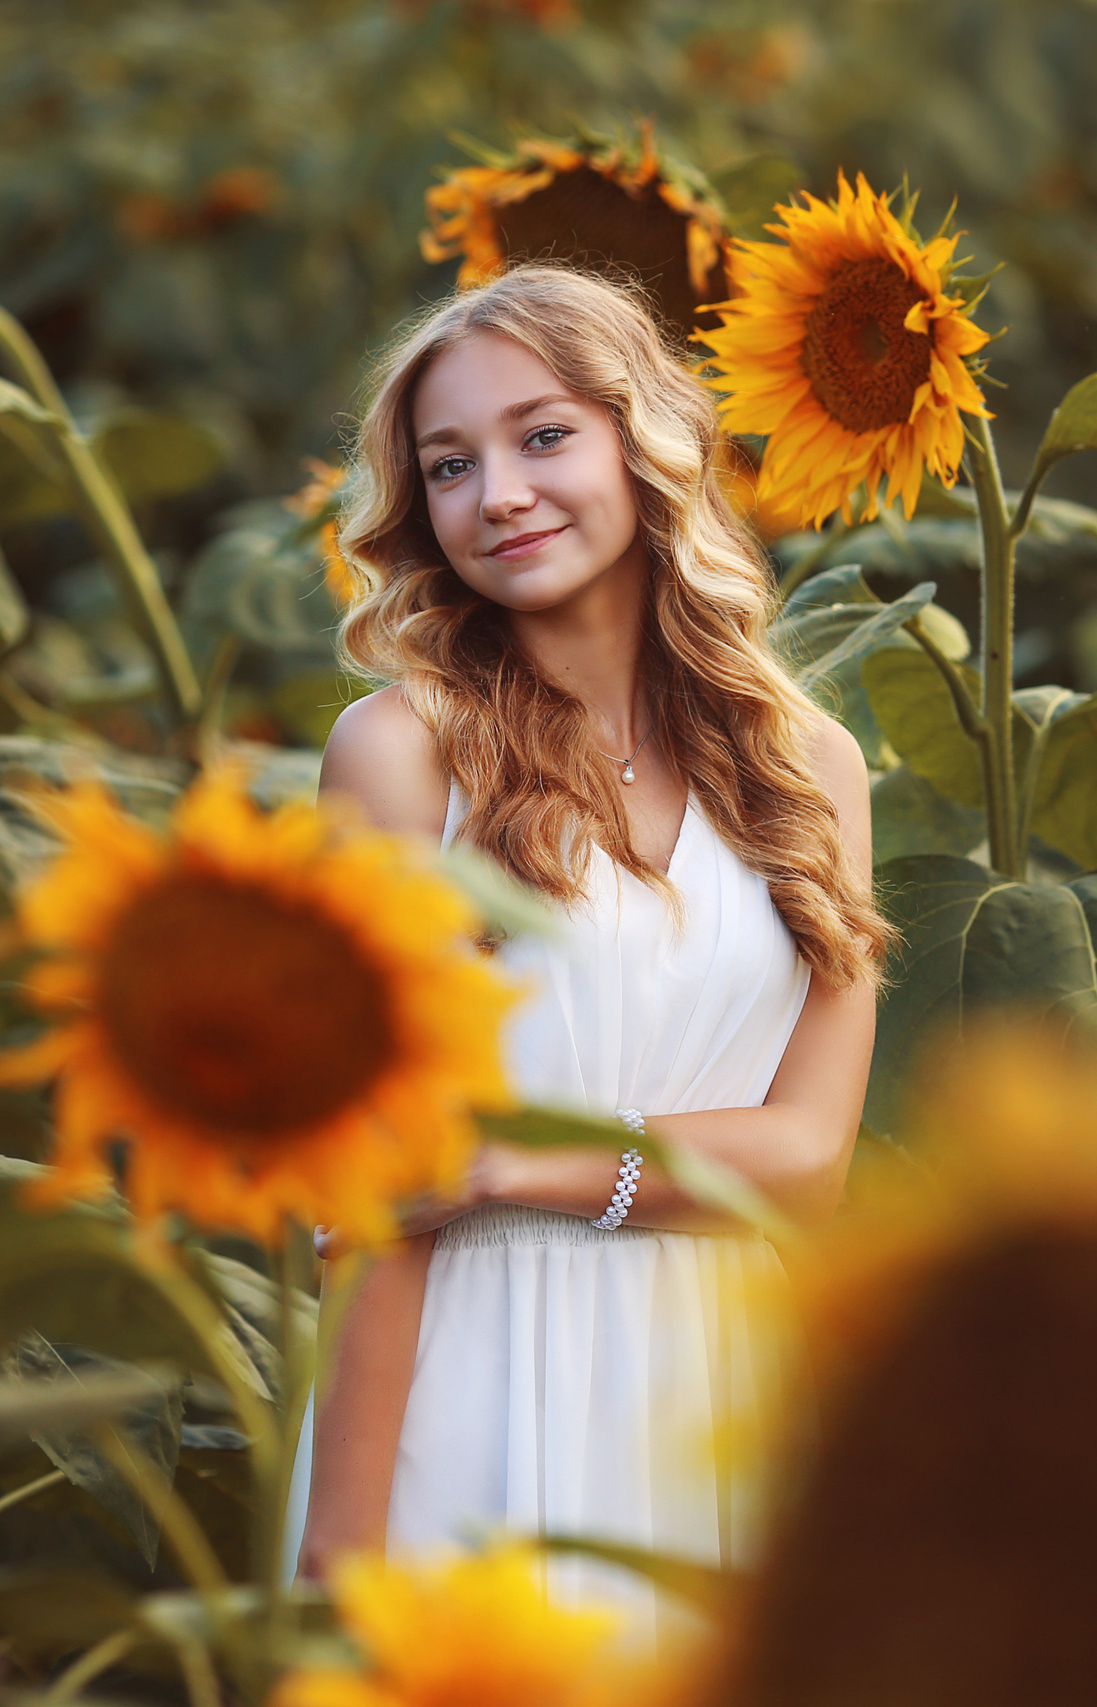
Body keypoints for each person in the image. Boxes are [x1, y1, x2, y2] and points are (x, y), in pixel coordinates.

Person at [293, 263, 888, 1647]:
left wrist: (514, 1164)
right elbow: (371, 1203)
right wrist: (338, 1553)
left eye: (543, 435)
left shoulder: (814, 773)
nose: (497, 493)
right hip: (473, 1389)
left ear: (646, 440)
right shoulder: (397, 759)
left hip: (731, 1402)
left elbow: (810, 1158)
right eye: (449, 465)